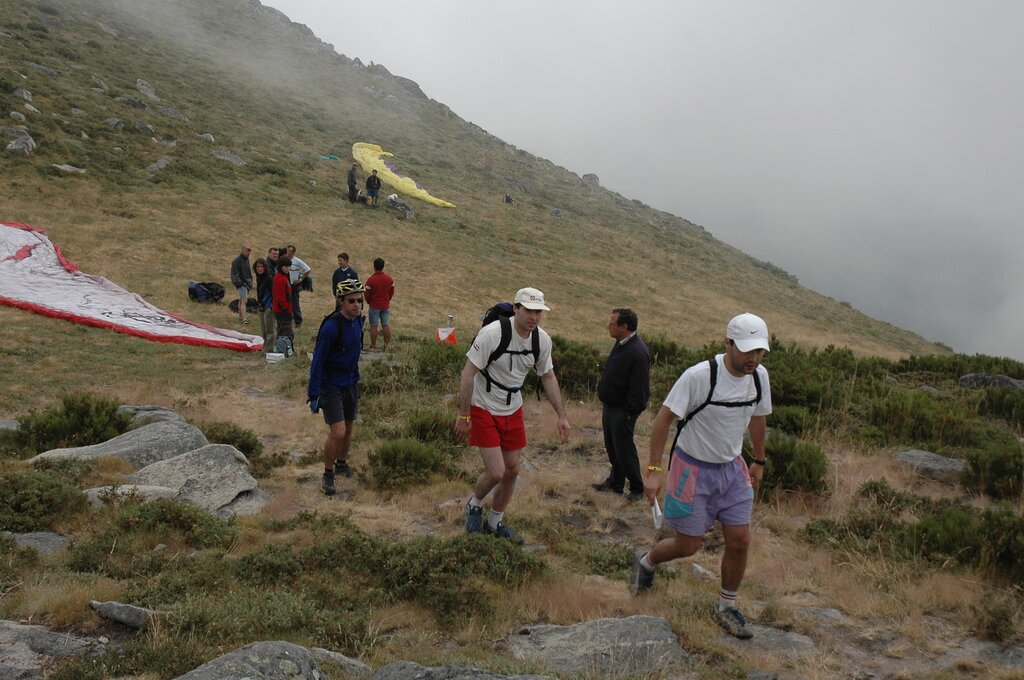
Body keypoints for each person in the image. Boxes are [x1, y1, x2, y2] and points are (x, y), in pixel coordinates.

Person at [632, 313, 773, 641]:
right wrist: (653, 472)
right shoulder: (699, 376)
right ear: (728, 343)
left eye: (760, 351)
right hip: (691, 471)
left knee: (740, 540)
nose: (754, 358)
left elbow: (758, 418)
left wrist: (759, 459)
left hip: (733, 470)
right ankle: (648, 561)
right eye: (747, 350)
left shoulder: (759, 377)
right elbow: (662, 421)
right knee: (688, 545)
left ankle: (726, 606)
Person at [455, 287, 572, 543]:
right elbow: (468, 374)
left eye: (538, 312)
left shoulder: (542, 341)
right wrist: (465, 416)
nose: (534, 317)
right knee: (496, 471)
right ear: (516, 309)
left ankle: (496, 521)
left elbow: (548, 376)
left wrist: (561, 415)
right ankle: (474, 505)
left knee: (512, 469)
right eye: (529, 310)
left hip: (512, 407)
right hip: (483, 406)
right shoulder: (491, 334)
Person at [309, 279, 366, 496]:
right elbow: (318, 361)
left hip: (350, 382)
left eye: (359, 300)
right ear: (340, 301)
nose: (356, 305)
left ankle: (342, 463)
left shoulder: (358, 321)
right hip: (331, 385)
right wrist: (314, 393)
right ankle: (327, 474)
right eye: (351, 301)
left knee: (349, 426)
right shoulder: (331, 327)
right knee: (338, 431)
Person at [593, 308, 650, 501]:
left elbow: (639, 386)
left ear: (624, 327)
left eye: (612, 323)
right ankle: (615, 484)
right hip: (611, 406)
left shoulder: (638, 351)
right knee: (612, 447)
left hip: (623, 410)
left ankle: (637, 488)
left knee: (624, 449)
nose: (609, 326)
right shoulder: (621, 343)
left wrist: (630, 412)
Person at [364, 257, 395, 351]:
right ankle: (386, 345)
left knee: (374, 325)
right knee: (385, 324)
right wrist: (387, 299)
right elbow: (391, 291)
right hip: (385, 305)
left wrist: (369, 301)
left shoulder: (371, 280)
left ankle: (373, 345)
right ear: (383, 266)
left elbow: (366, 294)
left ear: (374, 266)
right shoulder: (389, 279)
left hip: (374, 306)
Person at [253, 257, 276, 350]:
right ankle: (265, 347)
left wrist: (271, 306)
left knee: (270, 330)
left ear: (265, 267)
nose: (260, 268)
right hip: (261, 307)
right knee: (263, 330)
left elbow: (274, 293)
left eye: (262, 266)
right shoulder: (258, 278)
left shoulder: (269, 278)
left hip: (268, 307)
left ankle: (269, 349)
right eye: (258, 266)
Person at [285, 245, 311, 327]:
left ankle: (298, 321)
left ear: (293, 252)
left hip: (293, 285)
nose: (288, 252)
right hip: (285, 284)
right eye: (287, 250)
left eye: (290, 251)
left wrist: (300, 279)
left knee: (295, 303)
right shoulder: (284, 260)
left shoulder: (297, 261)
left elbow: (307, 269)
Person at [271, 256, 294, 349]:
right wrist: (287, 309)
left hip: (284, 309)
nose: (288, 268)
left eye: (289, 266)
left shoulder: (283, 277)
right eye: (286, 266)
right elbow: (280, 298)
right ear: (280, 266)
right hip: (282, 310)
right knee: (286, 332)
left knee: (283, 331)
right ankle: (284, 349)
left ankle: (283, 349)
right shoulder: (279, 278)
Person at [229, 245, 253, 325]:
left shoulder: (246, 260)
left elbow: (248, 272)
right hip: (241, 284)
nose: (249, 252)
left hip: (247, 284)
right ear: (242, 250)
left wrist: (250, 283)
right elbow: (234, 274)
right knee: (244, 300)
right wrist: (240, 283)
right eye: (247, 250)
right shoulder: (237, 261)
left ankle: (240, 316)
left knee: (242, 300)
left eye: (250, 251)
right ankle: (244, 319)